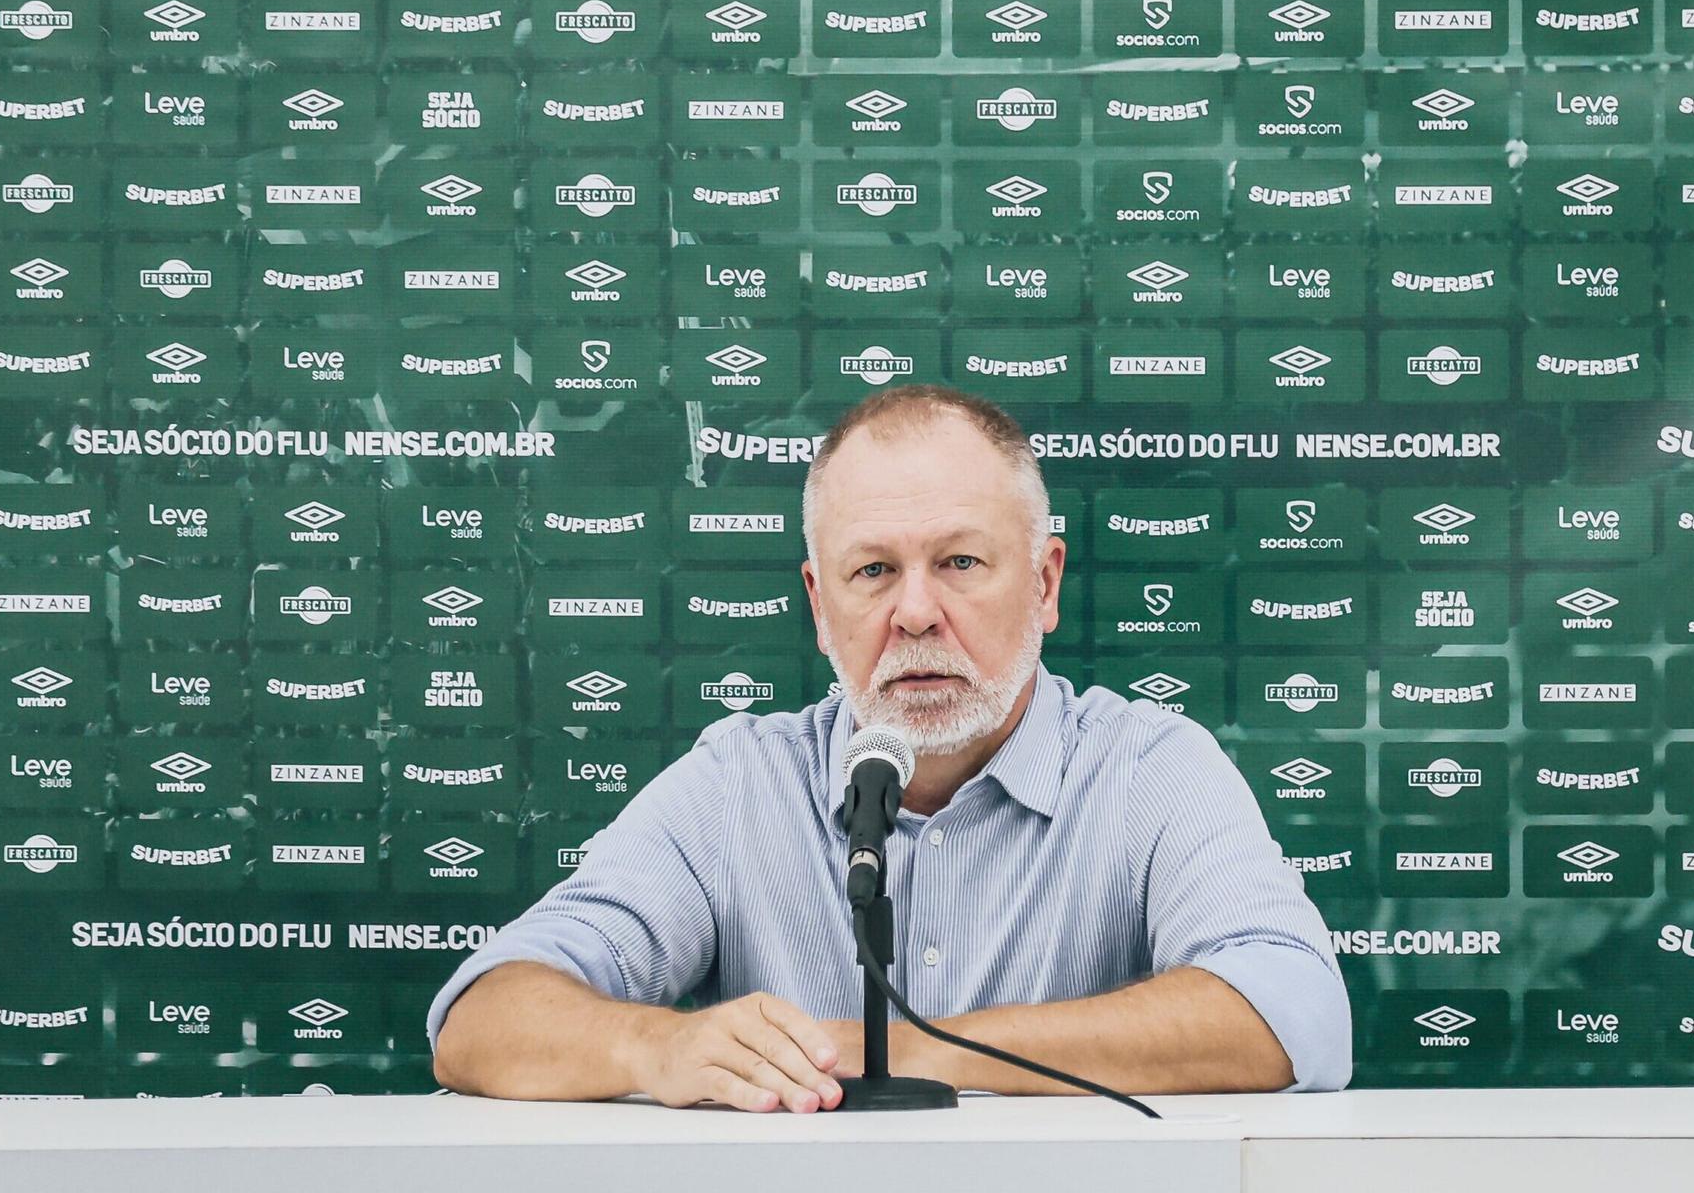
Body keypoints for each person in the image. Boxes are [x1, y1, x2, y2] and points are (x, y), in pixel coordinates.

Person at [429, 385, 1352, 1111]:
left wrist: (903, 1049)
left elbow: (1295, 1014)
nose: (914, 613)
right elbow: (481, 1019)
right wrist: (655, 1046)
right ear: (819, 605)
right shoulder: (737, 783)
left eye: (960, 563)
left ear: (1044, 581)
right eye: (872, 572)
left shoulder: (1151, 771)